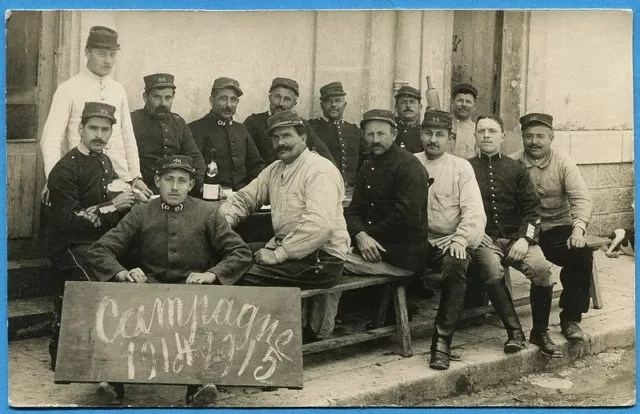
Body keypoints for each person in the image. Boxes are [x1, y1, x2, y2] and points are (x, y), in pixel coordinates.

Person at [87, 155, 253, 406]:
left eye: (182, 181)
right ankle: (113, 382)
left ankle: (199, 385)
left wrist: (212, 274)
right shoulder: (141, 213)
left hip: (193, 293)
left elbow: (240, 252)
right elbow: (100, 250)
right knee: (122, 303)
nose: (175, 187)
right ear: (157, 182)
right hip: (150, 292)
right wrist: (123, 272)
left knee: (201, 322)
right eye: (168, 180)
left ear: (191, 184)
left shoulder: (208, 213)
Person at [221, 110, 349, 342]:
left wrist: (279, 254)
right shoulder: (275, 169)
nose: (280, 143)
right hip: (291, 252)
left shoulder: (319, 170)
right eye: (275, 137)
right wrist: (222, 225)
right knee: (229, 257)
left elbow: (320, 226)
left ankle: (266, 339)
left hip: (323, 257)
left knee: (240, 272)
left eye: (287, 135)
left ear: (303, 138)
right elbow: (245, 198)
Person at [46, 102, 137, 372]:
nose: (99, 135)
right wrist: (113, 206)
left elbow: (106, 196)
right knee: (97, 285)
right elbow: (68, 221)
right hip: (70, 245)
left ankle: (120, 351)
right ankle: (64, 354)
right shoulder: (65, 169)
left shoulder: (104, 160)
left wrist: (132, 198)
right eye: (93, 128)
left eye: (105, 130)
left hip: (101, 242)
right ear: (80, 129)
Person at [468, 115, 558, 356]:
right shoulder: (465, 168)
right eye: (482, 131)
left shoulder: (516, 168)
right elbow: (459, 208)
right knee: (490, 268)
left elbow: (532, 209)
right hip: (484, 240)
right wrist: (475, 235)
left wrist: (524, 239)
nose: (486, 135)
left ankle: (539, 331)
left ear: (503, 136)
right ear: (475, 136)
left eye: (492, 131)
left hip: (516, 238)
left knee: (542, 269)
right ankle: (514, 332)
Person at [40, 26, 151, 204]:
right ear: (87, 52)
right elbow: (52, 138)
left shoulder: (118, 90)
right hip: (82, 180)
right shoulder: (68, 89)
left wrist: (135, 176)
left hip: (118, 178)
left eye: (112, 55)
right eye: (101, 54)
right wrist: (54, 179)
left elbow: (127, 136)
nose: (108, 61)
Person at [512, 113, 594, 344]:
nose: (534, 141)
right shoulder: (513, 162)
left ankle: (570, 317)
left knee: (580, 255)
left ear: (551, 137)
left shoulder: (563, 162)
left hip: (558, 227)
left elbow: (581, 199)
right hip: (524, 231)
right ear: (522, 138)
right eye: (529, 136)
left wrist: (577, 231)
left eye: (540, 136)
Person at [413, 110, 486, 370]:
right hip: (415, 243)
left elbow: (475, 212)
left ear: (450, 139)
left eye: (440, 135)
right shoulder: (410, 163)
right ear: (421, 134)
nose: (433, 139)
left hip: (449, 241)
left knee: (456, 265)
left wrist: (460, 240)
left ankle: (441, 343)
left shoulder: (460, 167)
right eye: (428, 133)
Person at [344, 109, 429, 276]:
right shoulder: (367, 168)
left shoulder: (410, 166)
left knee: (330, 260)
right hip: (370, 247)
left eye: (381, 134)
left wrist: (366, 237)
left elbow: (406, 218)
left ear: (394, 134)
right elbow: (354, 210)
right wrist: (360, 235)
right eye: (370, 134)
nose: (375, 140)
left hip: (401, 257)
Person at [131, 73, 206, 195]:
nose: (163, 103)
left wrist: (202, 185)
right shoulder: (133, 121)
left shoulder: (178, 122)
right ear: (145, 97)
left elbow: (194, 157)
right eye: (157, 97)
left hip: (175, 191)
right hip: (144, 191)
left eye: (168, 98)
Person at [188, 77, 265, 190]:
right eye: (223, 99)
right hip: (210, 196)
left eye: (233, 100)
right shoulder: (195, 129)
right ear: (211, 100)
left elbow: (255, 165)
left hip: (242, 194)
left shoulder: (241, 129)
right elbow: (193, 167)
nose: (229, 105)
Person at [243, 77, 335, 165]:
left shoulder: (301, 124)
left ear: (294, 103)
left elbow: (324, 155)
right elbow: (246, 159)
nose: (281, 103)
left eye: (287, 99)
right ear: (270, 98)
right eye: (277, 97)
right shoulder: (253, 122)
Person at [308, 82, 367, 188]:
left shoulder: (355, 130)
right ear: (322, 105)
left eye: (338, 101)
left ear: (344, 105)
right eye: (328, 101)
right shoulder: (312, 127)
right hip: (322, 187)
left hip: (351, 190)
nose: (333, 105)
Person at [450, 83, 479, 159]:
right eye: (460, 100)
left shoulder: (478, 131)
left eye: (468, 102)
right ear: (452, 103)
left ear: (475, 105)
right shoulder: (444, 126)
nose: (464, 104)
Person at [394, 85, 423, 153]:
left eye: (412, 102)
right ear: (396, 107)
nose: (408, 105)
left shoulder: (423, 132)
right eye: (403, 102)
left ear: (420, 107)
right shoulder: (390, 129)